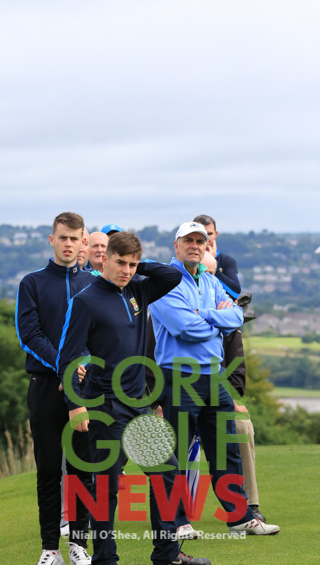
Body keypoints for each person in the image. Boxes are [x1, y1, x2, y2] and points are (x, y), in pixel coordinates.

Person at [57, 232, 211, 565]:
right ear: (104, 259)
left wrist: (142, 265)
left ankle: (167, 554)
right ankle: (105, 560)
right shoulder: (85, 301)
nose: (126, 270)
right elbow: (67, 358)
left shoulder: (138, 289)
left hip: (140, 406)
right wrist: (75, 405)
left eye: (132, 264)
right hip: (105, 408)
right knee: (106, 489)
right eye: (121, 262)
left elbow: (171, 275)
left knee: (167, 473)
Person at [149, 221, 280, 536]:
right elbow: (184, 328)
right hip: (179, 374)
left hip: (213, 374)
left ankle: (239, 517)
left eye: (201, 241)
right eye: (189, 240)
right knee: (177, 452)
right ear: (176, 245)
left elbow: (236, 317)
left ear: (207, 246)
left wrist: (204, 314)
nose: (195, 246)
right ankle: (176, 522)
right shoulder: (162, 281)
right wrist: (215, 320)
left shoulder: (210, 281)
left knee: (225, 449)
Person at [16, 212, 95, 565]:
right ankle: (50, 548)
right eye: (62, 237)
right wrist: (65, 366)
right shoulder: (31, 283)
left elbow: (100, 336)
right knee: (48, 471)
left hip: (84, 386)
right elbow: (29, 335)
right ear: (52, 240)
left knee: (82, 470)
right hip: (46, 386)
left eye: (74, 238)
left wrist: (80, 367)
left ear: (82, 242)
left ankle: (79, 545)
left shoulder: (93, 284)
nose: (68, 243)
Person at [193, 214, 266, 521]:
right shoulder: (177, 310)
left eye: (213, 278)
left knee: (242, 426)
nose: (209, 285)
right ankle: (177, 514)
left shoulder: (231, 325)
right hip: (179, 394)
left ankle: (248, 507)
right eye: (203, 278)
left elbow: (236, 376)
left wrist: (226, 398)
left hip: (216, 397)